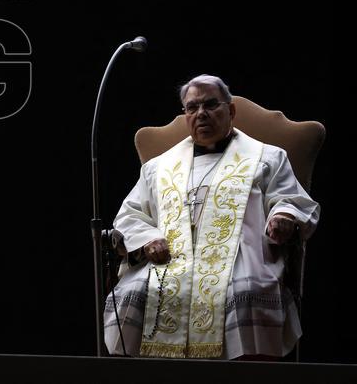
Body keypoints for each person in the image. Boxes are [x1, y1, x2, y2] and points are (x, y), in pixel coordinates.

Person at [103, 74, 319, 360]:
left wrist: (283, 216)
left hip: (240, 258)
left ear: (231, 111)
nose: (201, 113)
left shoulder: (267, 157)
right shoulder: (158, 167)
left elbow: (290, 199)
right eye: (192, 107)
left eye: (210, 104)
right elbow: (130, 214)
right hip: (169, 261)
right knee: (133, 294)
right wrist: (147, 239)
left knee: (246, 291)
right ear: (185, 115)